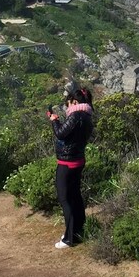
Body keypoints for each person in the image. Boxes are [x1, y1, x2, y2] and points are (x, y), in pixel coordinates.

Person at [47, 86, 94, 248]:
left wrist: (54, 120)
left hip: (67, 163)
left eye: (68, 104)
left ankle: (69, 238)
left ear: (74, 102)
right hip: (78, 160)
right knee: (75, 197)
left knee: (65, 199)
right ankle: (78, 231)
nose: (67, 107)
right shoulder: (87, 116)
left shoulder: (75, 116)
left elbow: (60, 134)